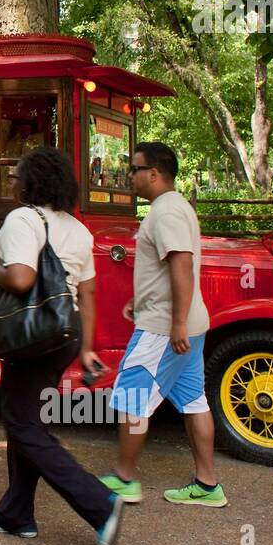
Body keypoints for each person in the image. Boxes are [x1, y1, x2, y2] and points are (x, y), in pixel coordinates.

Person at [0, 146, 125, 545]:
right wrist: (87, 349)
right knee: (26, 418)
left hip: (31, 334)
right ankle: (16, 514)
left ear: (31, 182)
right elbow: (88, 294)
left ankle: (100, 505)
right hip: (64, 334)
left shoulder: (23, 219)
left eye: (18, 175)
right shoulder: (78, 229)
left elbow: (21, 278)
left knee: (24, 426)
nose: (14, 181)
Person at [101, 141, 225, 508]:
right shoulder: (174, 207)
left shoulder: (165, 212)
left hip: (164, 329)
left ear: (153, 174)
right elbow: (164, 269)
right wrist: (139, 300)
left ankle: (124, 479)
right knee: (192, 400)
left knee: (131, 396)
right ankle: (207, 485)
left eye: (134, 170)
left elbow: (181, 266)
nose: (130, 177)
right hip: (180, 321)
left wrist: (177, 324)